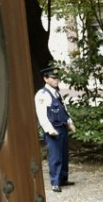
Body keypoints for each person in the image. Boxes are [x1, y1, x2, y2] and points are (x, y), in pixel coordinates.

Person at [33, 65, 76, 193]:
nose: (56, 80)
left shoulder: (57, 93)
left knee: (63, 154)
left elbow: (64, 110)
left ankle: (63, 178)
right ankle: (55, 182)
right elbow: (42, 115)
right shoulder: (42, 94)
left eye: (57, 78)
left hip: (62, 127)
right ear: (46, 79)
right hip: (53, 129)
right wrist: (49, 129)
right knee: (55, 156)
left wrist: (70, 122)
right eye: (53, 78)